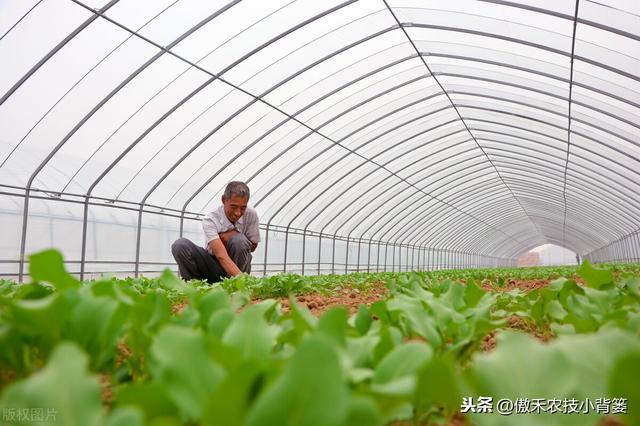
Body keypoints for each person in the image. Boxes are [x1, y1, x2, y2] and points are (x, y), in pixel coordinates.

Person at [171, 181, 260, 283]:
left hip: (240, 266)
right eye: (233, 207)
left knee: (238, 240)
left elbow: (253, 246)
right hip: (214, 265)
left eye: (243, 208)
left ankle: (235, 286)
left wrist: (234, 236)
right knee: (180, 245)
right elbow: (221, 256)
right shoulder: (211, 219)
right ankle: (196, 287)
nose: (238, 213)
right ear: (223, 200)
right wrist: (245, 281)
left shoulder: (251, 214)